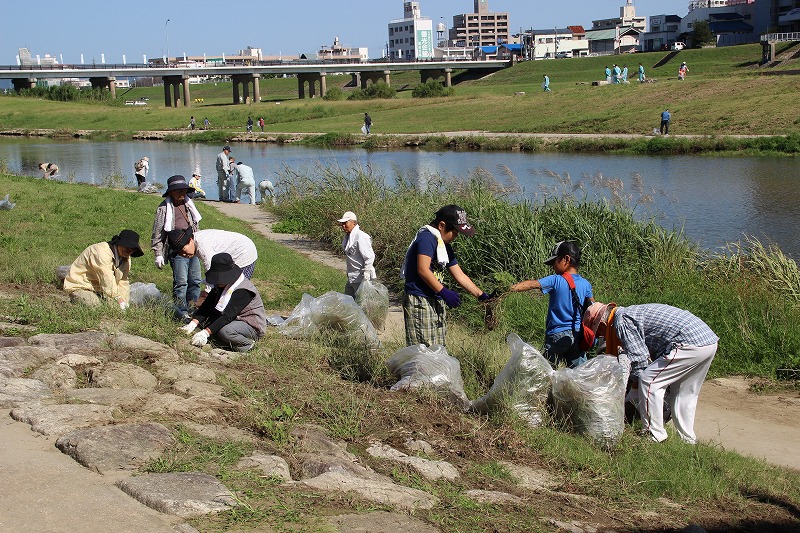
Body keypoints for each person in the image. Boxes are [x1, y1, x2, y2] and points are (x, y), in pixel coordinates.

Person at [583, 302, 718, 444]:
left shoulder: (621, 321)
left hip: (688, 343)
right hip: (707, 341)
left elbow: (639, 359)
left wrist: (633, 391)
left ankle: (654, 434)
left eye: (599, 333)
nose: (601, 336)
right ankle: (687, 440)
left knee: (649, 381)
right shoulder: (630, 313)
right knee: (684, 393)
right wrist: (634, 392)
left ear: (602, 324)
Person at [401, 205, 491, 347]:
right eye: (454, 233)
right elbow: (423, 269)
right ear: (442, 225)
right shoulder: (427, 238)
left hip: (435, 298)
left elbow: (459, 274)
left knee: (438, 348)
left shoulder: (444, 245)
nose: (455, 237)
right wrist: (444, 292)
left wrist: (480, 295)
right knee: (424, 349)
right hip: (420, 300)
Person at [510, 241, 593, 369]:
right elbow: (592, 309)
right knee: (580, 372)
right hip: (577, 335)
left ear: (566, 259)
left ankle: (548, 383)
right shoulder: (586, 284)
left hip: (557, 335)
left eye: (555, 261)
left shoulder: (556, 280)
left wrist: (508, 289)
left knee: (546, 371)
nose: (553, 266)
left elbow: (532, 284)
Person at [178, 253, 266, 352]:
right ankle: (223, 341)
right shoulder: (220, 285)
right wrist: (193, 324)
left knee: (226, 331)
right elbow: (207, 306)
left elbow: (228, 316)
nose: (218, 281)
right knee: (203, 320)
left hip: (249, 325)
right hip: (232, 319)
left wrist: (205, 333)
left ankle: (247, 345)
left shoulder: (243, 290)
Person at [152, 175, 203, 321]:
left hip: (192, 248)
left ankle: (193, 309)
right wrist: (158, 253)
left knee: (196, 281)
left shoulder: (189, 205)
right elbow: (157, 233)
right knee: (181, 283)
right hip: (177, 250)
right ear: (171, 192)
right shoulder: (163, 208)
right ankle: (181, 311)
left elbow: (196, 227)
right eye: (178, 190)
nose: (182, 193)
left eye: (184, 190)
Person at [63, 229, 144, 309]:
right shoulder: (101, 252)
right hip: (81, 286)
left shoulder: (126, 259)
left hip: (101, 289)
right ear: (119, 243)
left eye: (132, 249)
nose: (129, 251)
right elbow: (106, 278)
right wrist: (118, 298)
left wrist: (124, 302)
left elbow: (123, 281)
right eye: (127, 247)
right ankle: (72, 296)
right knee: (95, 305)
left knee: (115, 307)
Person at [167, 227, 258, 282]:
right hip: (234, 255)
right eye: (180, 253)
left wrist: (207, 293)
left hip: (244, 252)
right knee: (225, 288)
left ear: (190, 240)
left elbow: (212, 272)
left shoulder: (202, 247)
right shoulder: (196, 241)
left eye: (183, 250)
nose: (184, 254)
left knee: (237, 289)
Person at [337, 211, 376, 297]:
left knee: (361, 301)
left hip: (361, 277)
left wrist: (366, 272)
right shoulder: (348, 237)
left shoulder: (361, 237)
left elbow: (369, 256)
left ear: (354, 223)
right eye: (342, 224)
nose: (343, 226)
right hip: (352, 276)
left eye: (345, 223)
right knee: (348, 300)